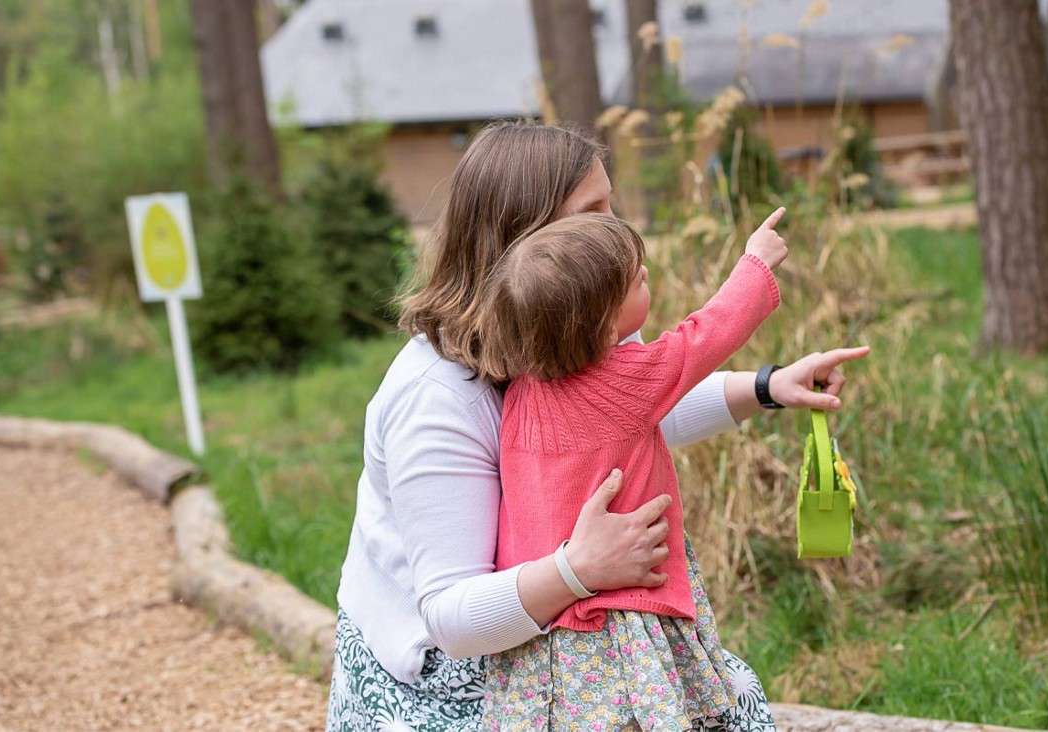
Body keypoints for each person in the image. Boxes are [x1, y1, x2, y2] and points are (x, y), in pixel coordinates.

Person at [326, 123, 867, 731]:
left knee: (727, 703)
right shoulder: (437, 396)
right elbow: (452, 619)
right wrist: (577, 569)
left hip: (559, 640)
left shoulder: (571, 324)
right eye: (594, 211)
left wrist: (766, 387)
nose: (623, 231)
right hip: (441, 680)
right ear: (528, 239)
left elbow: (625, 422)